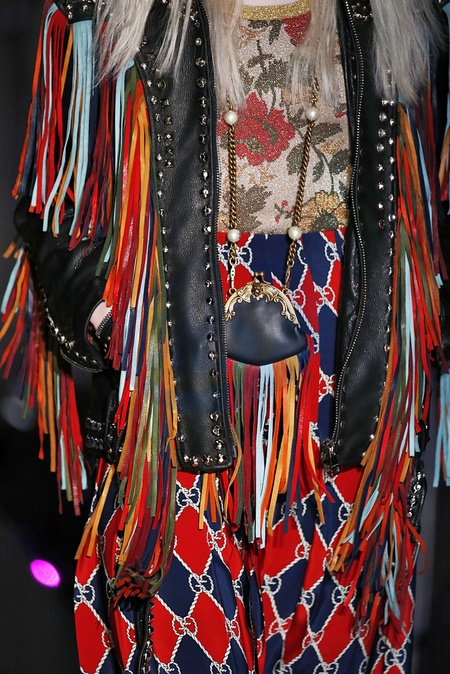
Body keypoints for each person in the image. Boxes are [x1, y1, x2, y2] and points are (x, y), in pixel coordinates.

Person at [3, 0, 450, 671]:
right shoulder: (111, 13)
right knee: (178, 632)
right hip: (175, 388)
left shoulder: (401, 20)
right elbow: (59, 194)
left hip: (349, 394)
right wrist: (103, 315)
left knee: (336, 638)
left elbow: (431, 204)